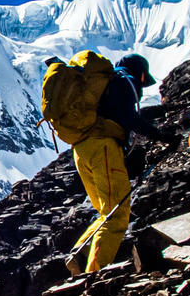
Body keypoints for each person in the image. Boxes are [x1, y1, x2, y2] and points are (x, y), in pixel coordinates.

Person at [68, 52, 178, 272]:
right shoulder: (125, 81)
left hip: (80, 149)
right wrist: (162, 137)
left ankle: (78, 256)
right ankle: (94, 272)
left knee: (105, 212)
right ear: (141, 73)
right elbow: (130, 118)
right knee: (117, 214)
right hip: (104, 147)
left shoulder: (102, 85)